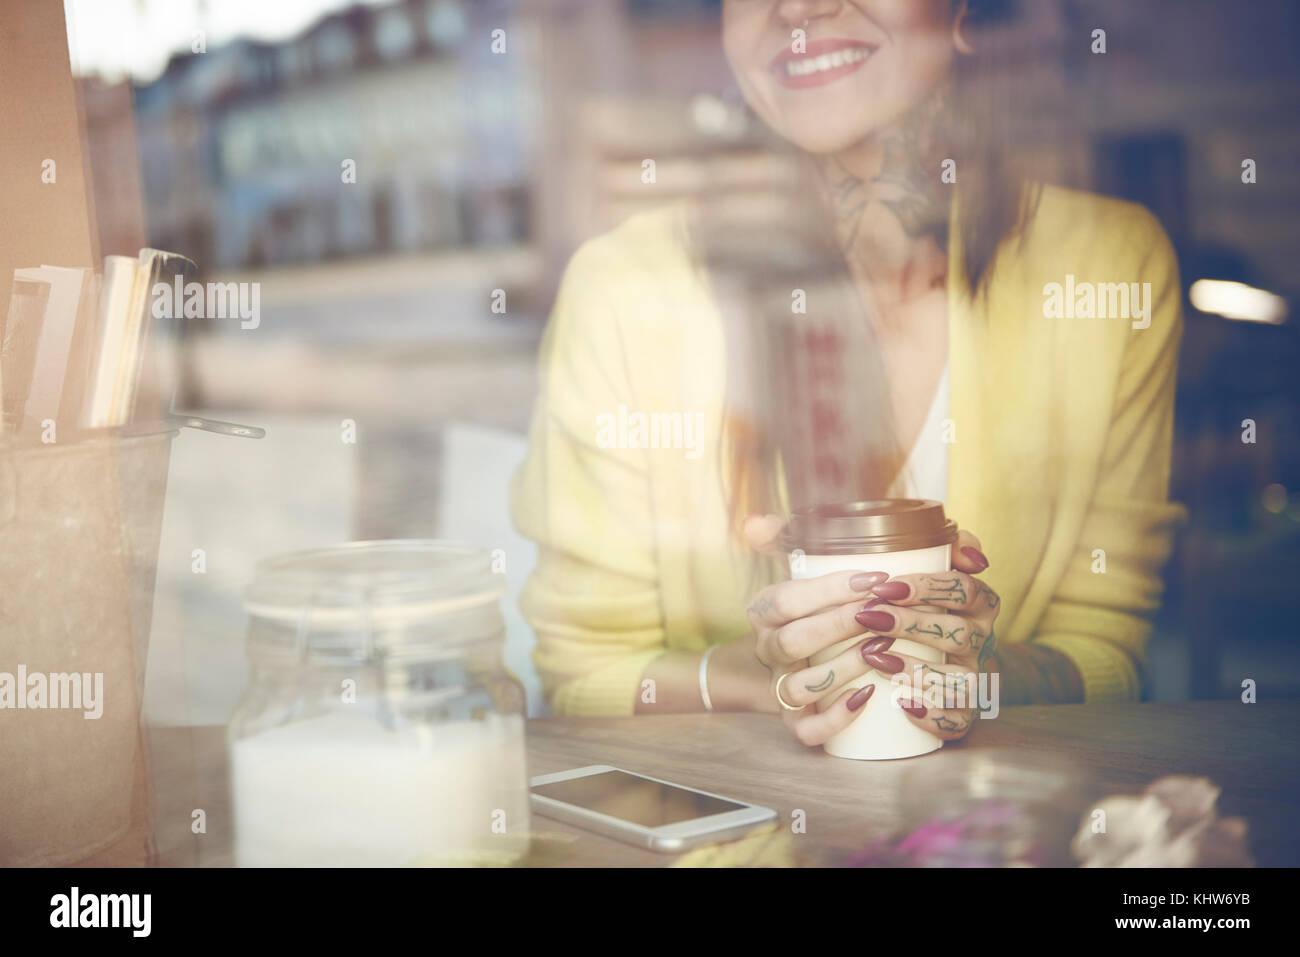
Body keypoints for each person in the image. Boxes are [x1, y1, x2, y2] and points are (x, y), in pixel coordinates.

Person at [510, 0, 1185, 748]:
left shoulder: (1107, 266)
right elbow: (584, 672)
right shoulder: (623, 287)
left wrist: (980, 670)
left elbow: (1108, 651)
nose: (798, 6)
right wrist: (750, 681)